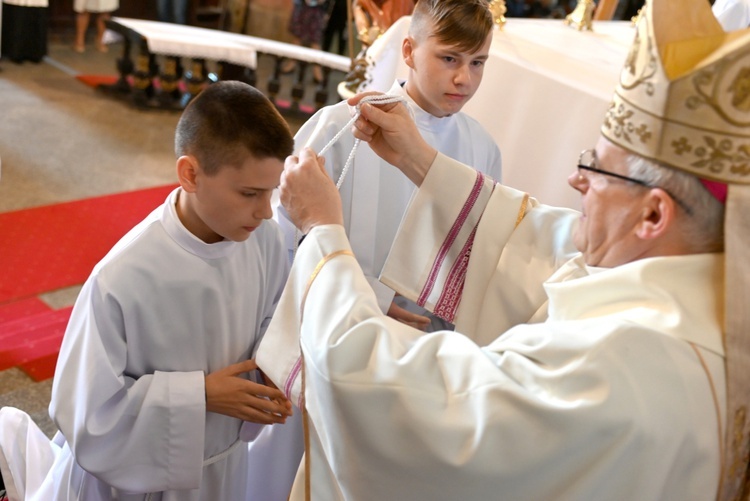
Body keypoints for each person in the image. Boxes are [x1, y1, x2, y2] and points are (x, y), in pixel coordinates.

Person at [256, 0, 750, 498]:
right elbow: (544, 242)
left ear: (653, 215)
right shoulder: (708, 304)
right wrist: (421, 160)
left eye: (598, 168)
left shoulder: (609, 368)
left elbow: (388, 398)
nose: (576, 180)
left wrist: (323, 231)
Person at [0, 81, 299, 500]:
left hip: (221, 464)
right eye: (250, 193)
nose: (266, 211)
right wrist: (202, 395)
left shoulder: (263, 239)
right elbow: (88, 416)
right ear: (190, 174)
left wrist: (271, 365)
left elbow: (272, 316)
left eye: (271, 191)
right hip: (130, 484)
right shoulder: (124, 275)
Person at [275, 0, 502, 334]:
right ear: (408, 51)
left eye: (477, 62)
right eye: (449, 58)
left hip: (430, 336)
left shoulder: (483, 147)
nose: (464, 78)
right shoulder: (342, 124)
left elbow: (480, 253)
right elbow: (285, 230)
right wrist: (365, 295)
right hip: (338, 320)